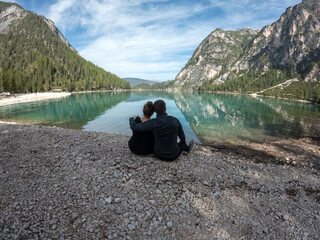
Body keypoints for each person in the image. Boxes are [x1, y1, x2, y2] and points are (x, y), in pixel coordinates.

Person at [129, 99, 194, 161]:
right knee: (182, 143)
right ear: (165, 108)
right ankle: (187, 149)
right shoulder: (175, 120)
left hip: (158, 154)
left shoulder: (152, 123)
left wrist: (132, 119)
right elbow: (182, 137)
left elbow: (135, 127)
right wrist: (182, 144)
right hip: (174, 155)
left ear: (154, 111)